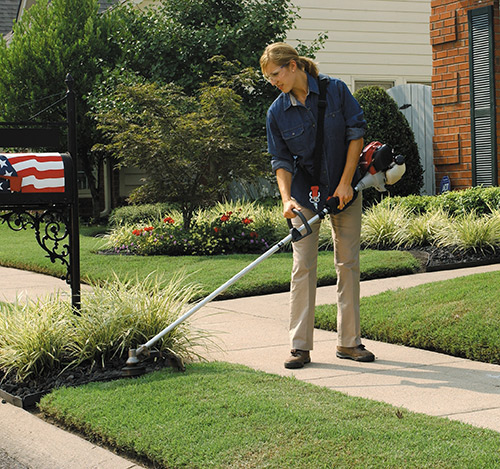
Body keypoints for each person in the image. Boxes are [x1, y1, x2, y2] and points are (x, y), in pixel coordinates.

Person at [260, 42, 375, 368]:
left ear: (293, 65)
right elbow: (280, 161)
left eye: (275, 74)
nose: (273, 82)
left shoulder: (336, 91)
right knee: (303, 267)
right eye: (268, 78)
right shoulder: (276, 113)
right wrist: (287, 199)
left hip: (345, 190)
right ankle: (300, 346)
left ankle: (349, 343)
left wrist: (344, 183)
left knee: (347, 263)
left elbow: (356, 134)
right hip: (304, 196)